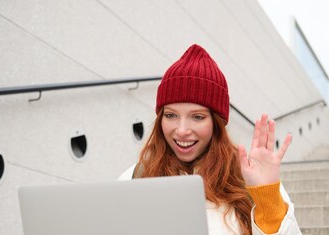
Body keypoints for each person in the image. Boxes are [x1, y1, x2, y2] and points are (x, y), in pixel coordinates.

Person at [118, 44, 301, 235]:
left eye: (197, 117)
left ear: (216, 123)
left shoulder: (250, 179)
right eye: (171, 115)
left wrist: (267, 201)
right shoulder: (136, 178)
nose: (181, 130)